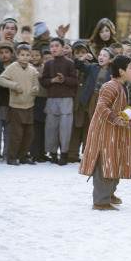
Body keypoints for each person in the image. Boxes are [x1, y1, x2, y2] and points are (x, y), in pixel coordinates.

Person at [78, 55, 131, 211]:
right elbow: (101, 106)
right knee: (105, 164)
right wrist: (115, 119)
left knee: (115, 161)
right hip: (104, 134)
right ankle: (100, 201)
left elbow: (119, 111)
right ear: (121, 71)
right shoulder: (111, 86)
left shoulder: (121, 86)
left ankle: (109, 194)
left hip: (115, 133)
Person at [0, 44, 39, 165]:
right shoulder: (12, 67)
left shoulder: (33, 70)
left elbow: (36, 84)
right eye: (22, 55)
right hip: (16, 106)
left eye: (27, 55)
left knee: (29, 134)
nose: (25, 57)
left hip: (29, 105)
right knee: (16, 134)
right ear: (17, 55)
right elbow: (1, 79)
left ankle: (23, 156)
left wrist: (36, 89)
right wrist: (14, 85)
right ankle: (12, 157)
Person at [40, 37, 78, 165]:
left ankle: (64, 153)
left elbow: (74, 81)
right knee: (51, 127)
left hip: (66, 99)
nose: (54, 48)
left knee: (65, 127)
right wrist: (53, 80)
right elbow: (43, 81)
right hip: (52, 99)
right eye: (52, 46)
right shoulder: (48, 64)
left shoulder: (70, 63)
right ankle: (53, 153)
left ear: (63, 47)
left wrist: (64, 79)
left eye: (57, 45)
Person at [29, 46, 48, 163]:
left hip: (45, 100)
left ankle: (42, 152)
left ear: (42, 57)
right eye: (32, 55)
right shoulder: (28, 68)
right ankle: (35, 153)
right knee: (35, 128)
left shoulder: (45, 68)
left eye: (37, 55)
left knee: (43, 128)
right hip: (33, 100)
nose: (34, 57)